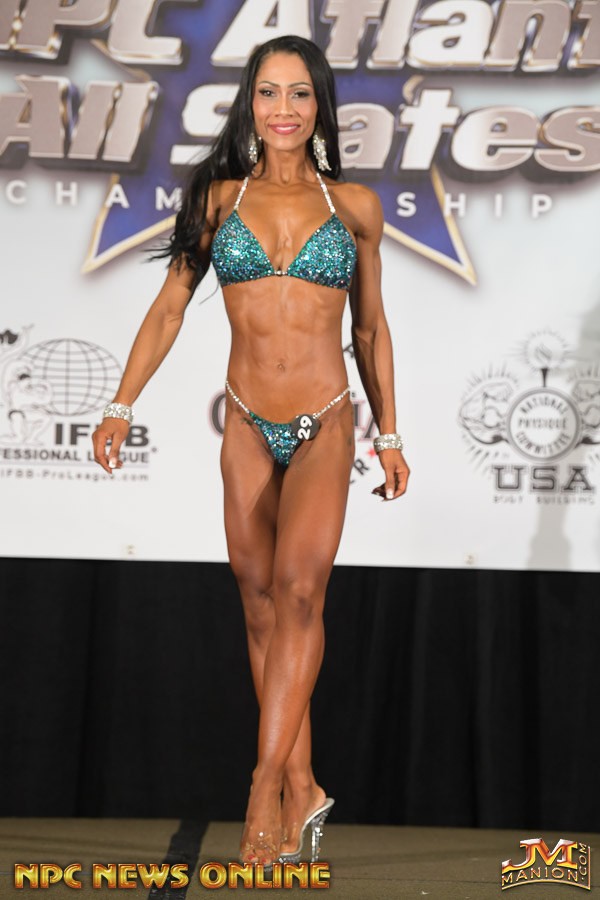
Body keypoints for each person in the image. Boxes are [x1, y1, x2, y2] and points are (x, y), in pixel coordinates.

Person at [92, 35, 409, 868]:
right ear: (249, 103)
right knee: (261, 606)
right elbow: (169, 308)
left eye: (299, 94)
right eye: (268, 92)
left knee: (301, 593)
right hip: (244, 424)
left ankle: (263, 785)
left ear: (320, 106)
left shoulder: (356, 208)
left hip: (325, 422)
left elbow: (371, 330)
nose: (283, 109)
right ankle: (304, 783)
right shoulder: (219, 199)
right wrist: (121, 403)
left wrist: (390, 433)